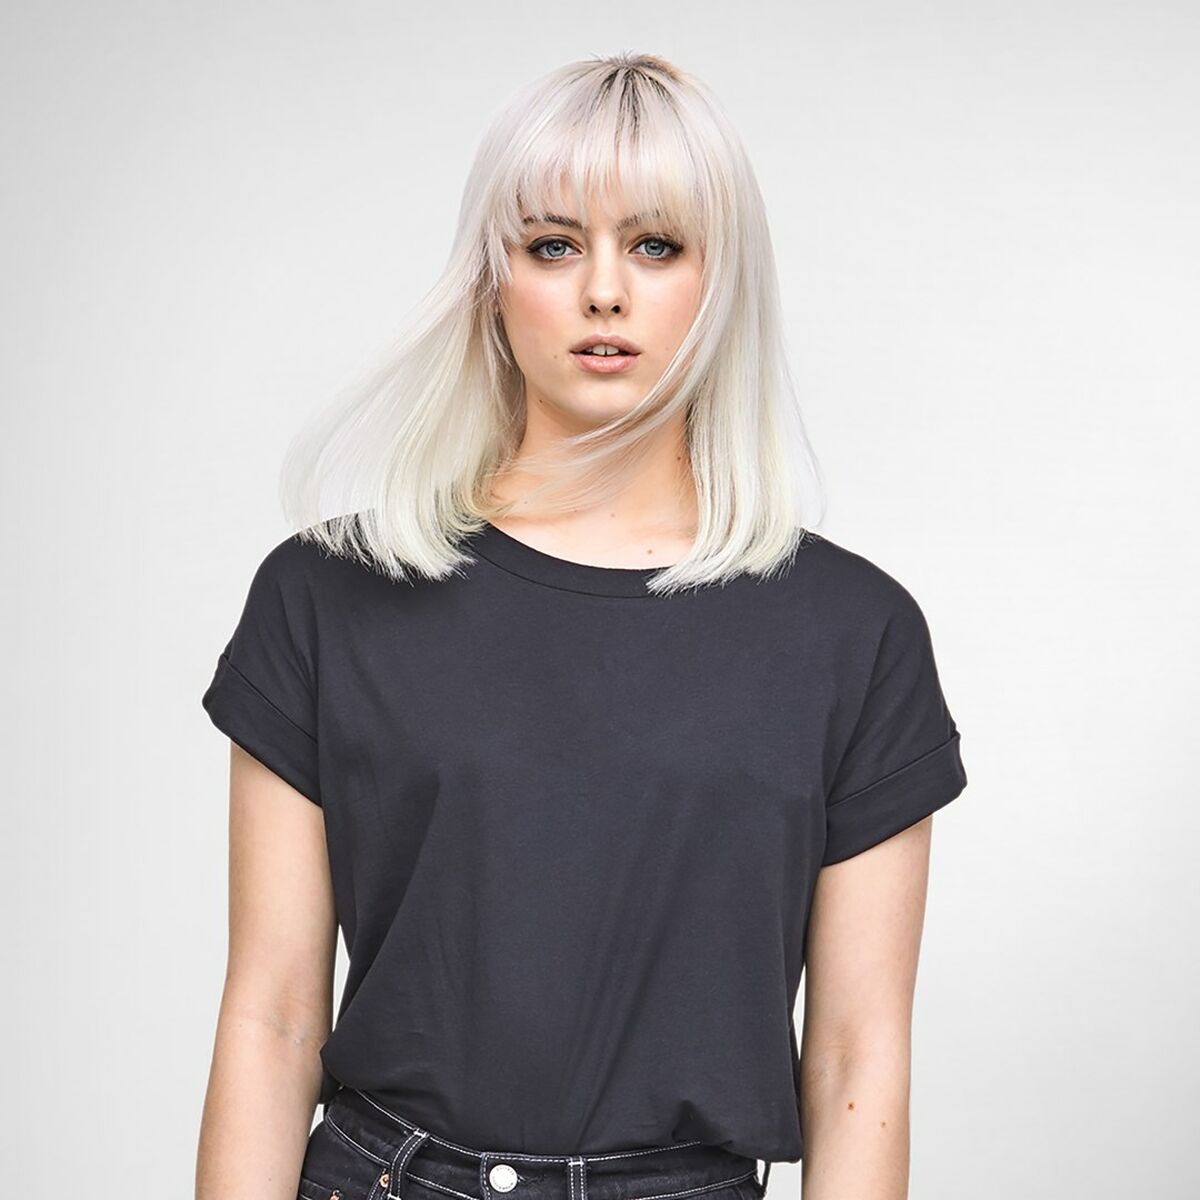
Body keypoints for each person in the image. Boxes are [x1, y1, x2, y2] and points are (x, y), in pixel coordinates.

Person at [196, 52, 968, 1200]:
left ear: (721, 281)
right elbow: (271, 1018)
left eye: (656, 245)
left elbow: (860, 1061)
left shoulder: (855, 637)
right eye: (555, 246)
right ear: (490, 279)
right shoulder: (325, 596)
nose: (605, 291)